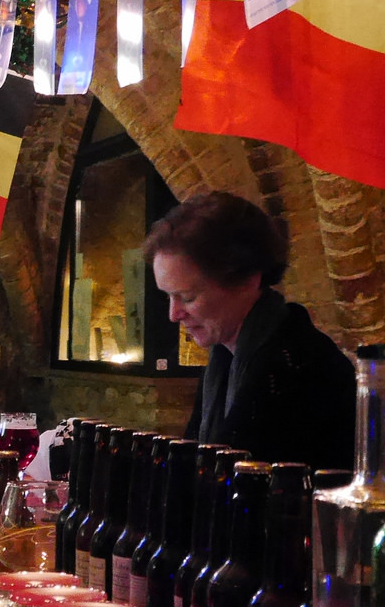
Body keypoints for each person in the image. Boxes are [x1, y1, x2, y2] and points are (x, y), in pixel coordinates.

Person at [145, 191, 354, 470]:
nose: (174, 314)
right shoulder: (225, 359)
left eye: (189, 297)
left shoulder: (300, 368)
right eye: (168, 297)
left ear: (247, 279)